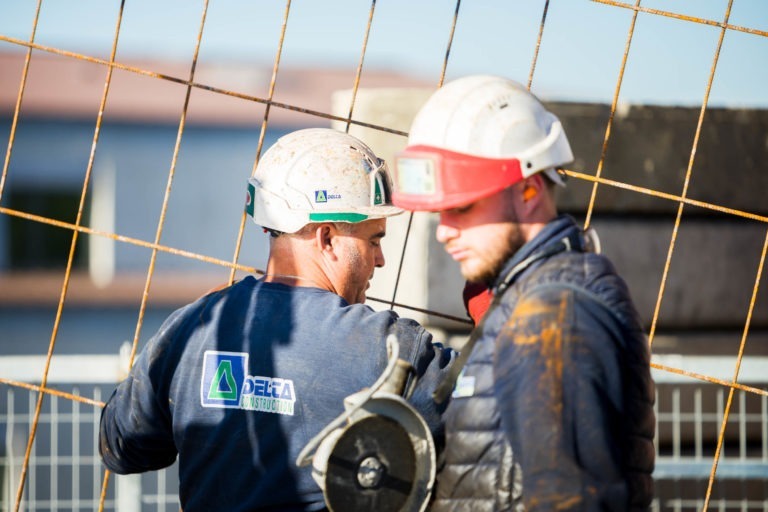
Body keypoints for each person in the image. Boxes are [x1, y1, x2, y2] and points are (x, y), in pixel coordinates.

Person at [98, 128, 455, 511]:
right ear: (327, 238)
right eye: (373, 240)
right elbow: (493, 428)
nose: (380, 259)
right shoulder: (387, 349)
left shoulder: (194, 328)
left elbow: (122, 447)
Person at [391, 75, 655, 511]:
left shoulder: (554, 314)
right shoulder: (526, 301)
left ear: (529, 190)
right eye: (440, 212)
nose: (444, 232)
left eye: (461, 207)